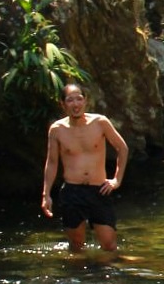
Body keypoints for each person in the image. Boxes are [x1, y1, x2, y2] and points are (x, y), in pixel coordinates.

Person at [41, 82, 129, 251]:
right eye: (70, 100)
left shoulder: (100, 122)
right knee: (76, 245)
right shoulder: (57, 130)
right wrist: (46, 195)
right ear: (63, 104)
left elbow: (122, 148)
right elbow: (52, 162)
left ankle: (107, 276)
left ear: (85, 101)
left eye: (79, 99)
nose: (76, 104)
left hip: (99, 189)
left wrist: (117, 180)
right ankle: (80, 277)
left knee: (109, 244)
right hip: (72, 192)